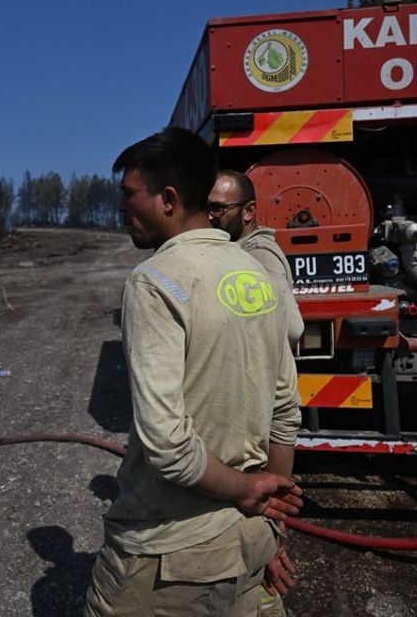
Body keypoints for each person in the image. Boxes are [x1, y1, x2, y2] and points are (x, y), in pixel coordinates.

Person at [84, 127, 303, 617]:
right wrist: (271, 521)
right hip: (250, 539)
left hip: (172, 550)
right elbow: (285, 412)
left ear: (167, 199)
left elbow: (167, 445)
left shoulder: (155, 282)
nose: (120, 208)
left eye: (127, 195)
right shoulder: (259, 275)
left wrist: (251, 492)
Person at [208, 170, 305, 348]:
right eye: (205, 208)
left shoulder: (258, 254)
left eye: (218, 208)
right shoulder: (238, 249)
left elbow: (292, 330)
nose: (209, 216)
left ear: (248, 211)